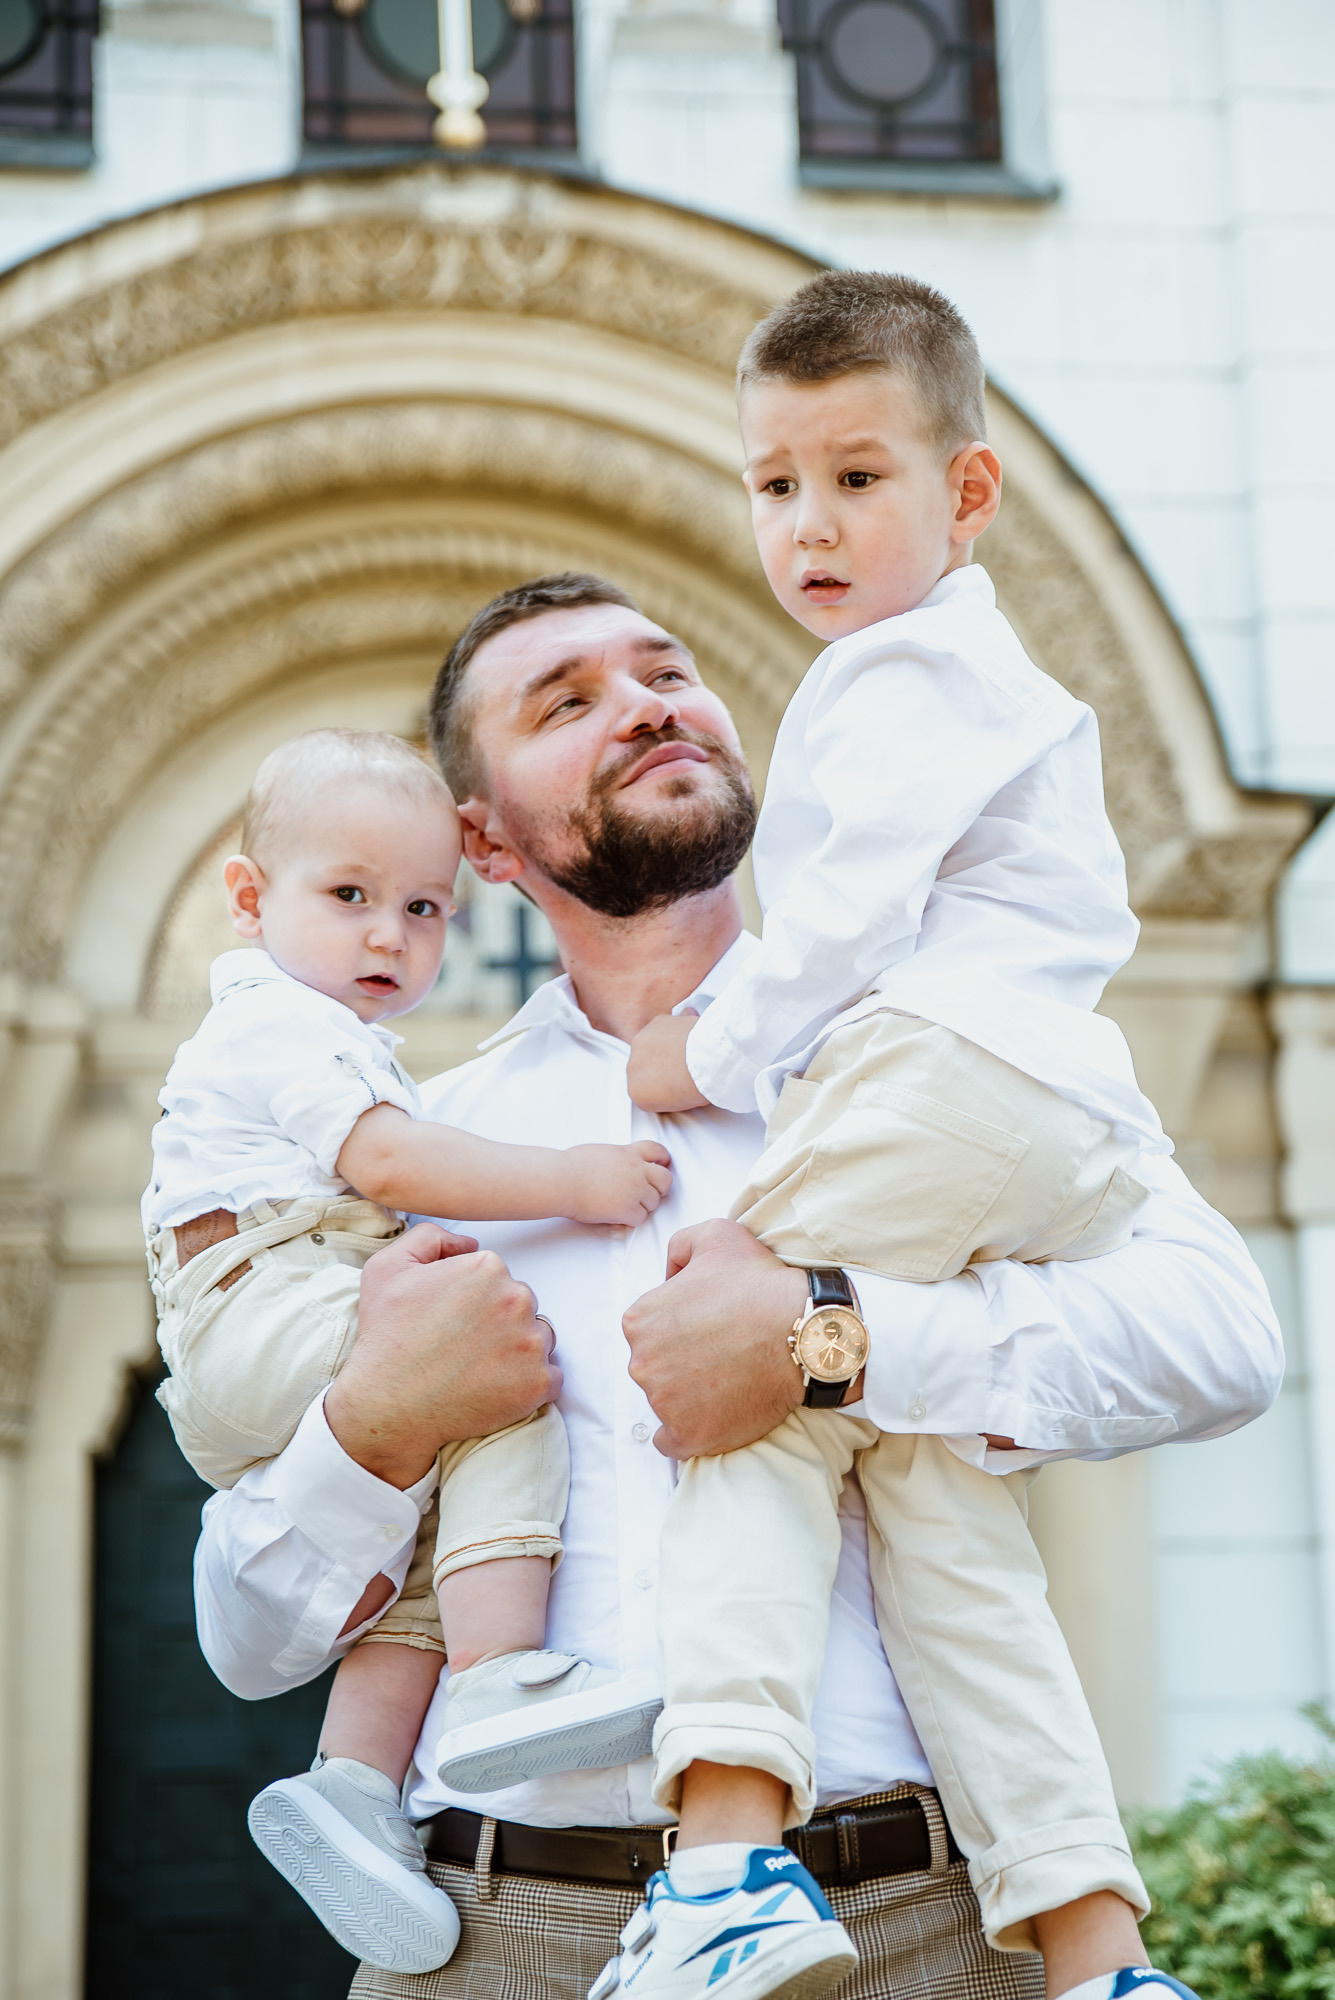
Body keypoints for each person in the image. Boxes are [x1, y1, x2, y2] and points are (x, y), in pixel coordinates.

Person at [193, 574, 1281, 2000]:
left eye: (666, 672)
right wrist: (376, 1424)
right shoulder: (410, 1151)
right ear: (482, 841)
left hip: (918, 1928)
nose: (643, 704)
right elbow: (248, 1634)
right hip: (489, 1934)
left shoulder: (927, 1055)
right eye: (566, 701)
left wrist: (832, 1344)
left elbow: (1221, 1336)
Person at [610, 272, 1178, 2000]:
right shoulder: (982, 675)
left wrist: (695, 1054)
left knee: (741, 1387)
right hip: (1048, 1125)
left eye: (858, 476)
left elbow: (840, 931)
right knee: (937, 1505)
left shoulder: (891, 673)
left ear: (968, 493)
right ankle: (1096, 1940)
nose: (810, 525)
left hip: (940, 1082)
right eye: (775, 484)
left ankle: (719, 1857)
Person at [144, 727, 671, 1973]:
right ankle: (496, 1677)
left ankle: (353, 1783)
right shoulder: (285, 1022)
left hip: (258, 1332)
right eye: (350, 896)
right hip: (272, 1300)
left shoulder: (319, 1030)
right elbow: (385, 1162)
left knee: (434, 1518)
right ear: (247, 899)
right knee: (494, 1381)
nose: (391, 934)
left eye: (426, 907)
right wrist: (573, 1180)